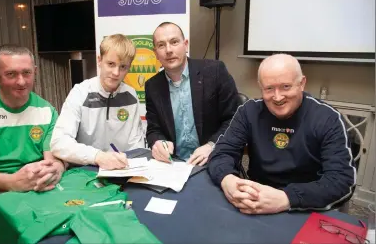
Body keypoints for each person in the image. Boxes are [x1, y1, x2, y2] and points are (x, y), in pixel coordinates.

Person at [208, 54, 356, 214]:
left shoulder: (328, 119)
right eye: (269, 88)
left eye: (286, 86)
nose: (277, 97)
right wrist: (227, 179)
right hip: (256, 199)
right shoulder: (248, 112)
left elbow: (342, 181)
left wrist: (286, 199)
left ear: (302, 84)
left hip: (307, 205)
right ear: (260, 87)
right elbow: (221, 153)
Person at [0, 44, 66, 244]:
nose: (21, 81)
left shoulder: (47, 111)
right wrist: (14, 182)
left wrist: (57, 167)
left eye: (27, 73)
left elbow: (52, 160)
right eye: (11, 74)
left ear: (35, 72)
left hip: (38, 187)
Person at [145, 22, 240, 166]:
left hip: (212, 160)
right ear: (156, 53)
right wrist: (157, 142)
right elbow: (154, 128)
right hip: (172, 164)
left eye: (174, 42)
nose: (168, 50)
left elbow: (235, 119)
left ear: (186, 44)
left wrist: (211, 145)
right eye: (161, 45)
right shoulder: (152, 86)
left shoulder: (214, 72)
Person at [50, 34, 144, 170]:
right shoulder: (80, 92)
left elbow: (136, 144)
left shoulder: (131, 95)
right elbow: (58, 142)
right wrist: (98, 157)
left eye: (123, 67)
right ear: (99, 61)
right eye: (111, 64)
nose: (116, 73)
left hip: (121, 171)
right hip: (86, 169)